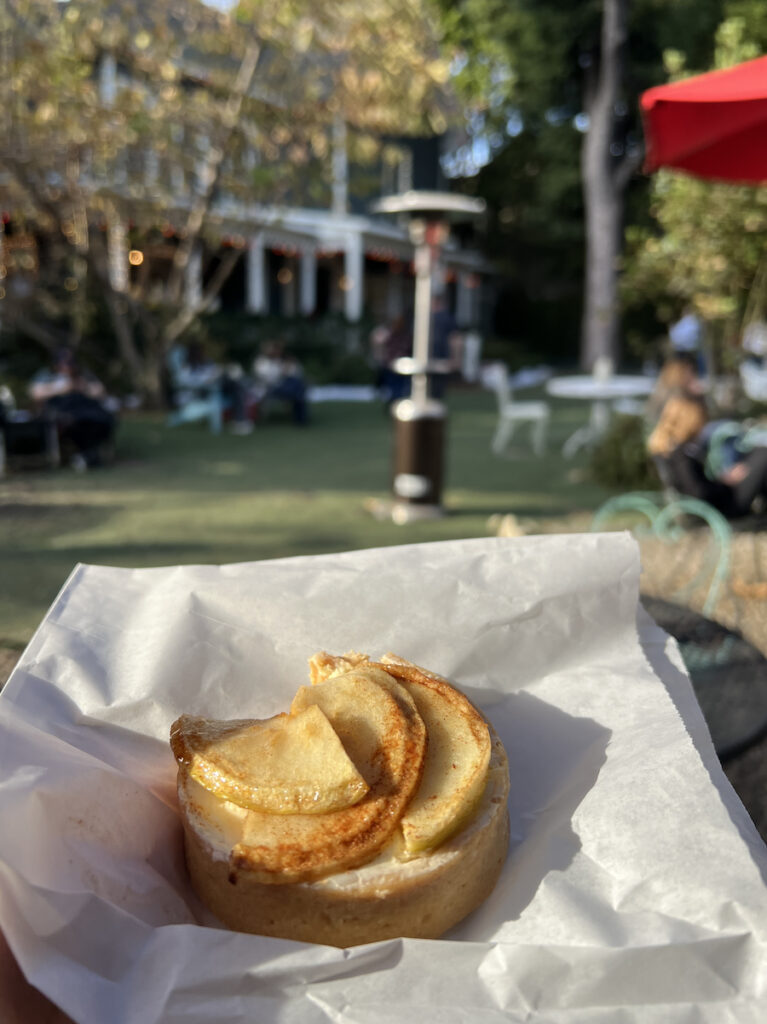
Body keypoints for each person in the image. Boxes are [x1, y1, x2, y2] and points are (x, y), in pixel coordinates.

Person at [647, 392, 767, 517]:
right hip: (721, 508)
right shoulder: (680, 455)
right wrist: (725, 481)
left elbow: (695, 487)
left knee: (757, 452)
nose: (704, 424)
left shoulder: (672, 452)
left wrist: (723, 479)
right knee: (764, 455)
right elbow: (699, 493)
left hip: (717, 503)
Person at [28, 348, 116, 470]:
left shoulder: (83, 375)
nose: (67, 367)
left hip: (88, 412)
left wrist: (82, 387)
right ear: (56, 364)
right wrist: (59, 389)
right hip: (63, 414)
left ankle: (87, 456)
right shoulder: (47, 375)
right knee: (74, 422)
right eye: (63, 363)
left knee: (102, 419)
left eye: (70, 363)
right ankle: (87, 456)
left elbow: (100, 391)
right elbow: (35, 393)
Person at [252, 341, 308, 425]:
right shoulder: (261, 362)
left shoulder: (284, 360)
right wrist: (282, 371)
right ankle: (301, 419)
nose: (275, 351)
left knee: (297, 384)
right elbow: (266, 378)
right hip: (271, 388)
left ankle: (300, 418)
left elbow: (298, 372)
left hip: (287, 386)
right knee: (298, 390)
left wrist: (289, 367)